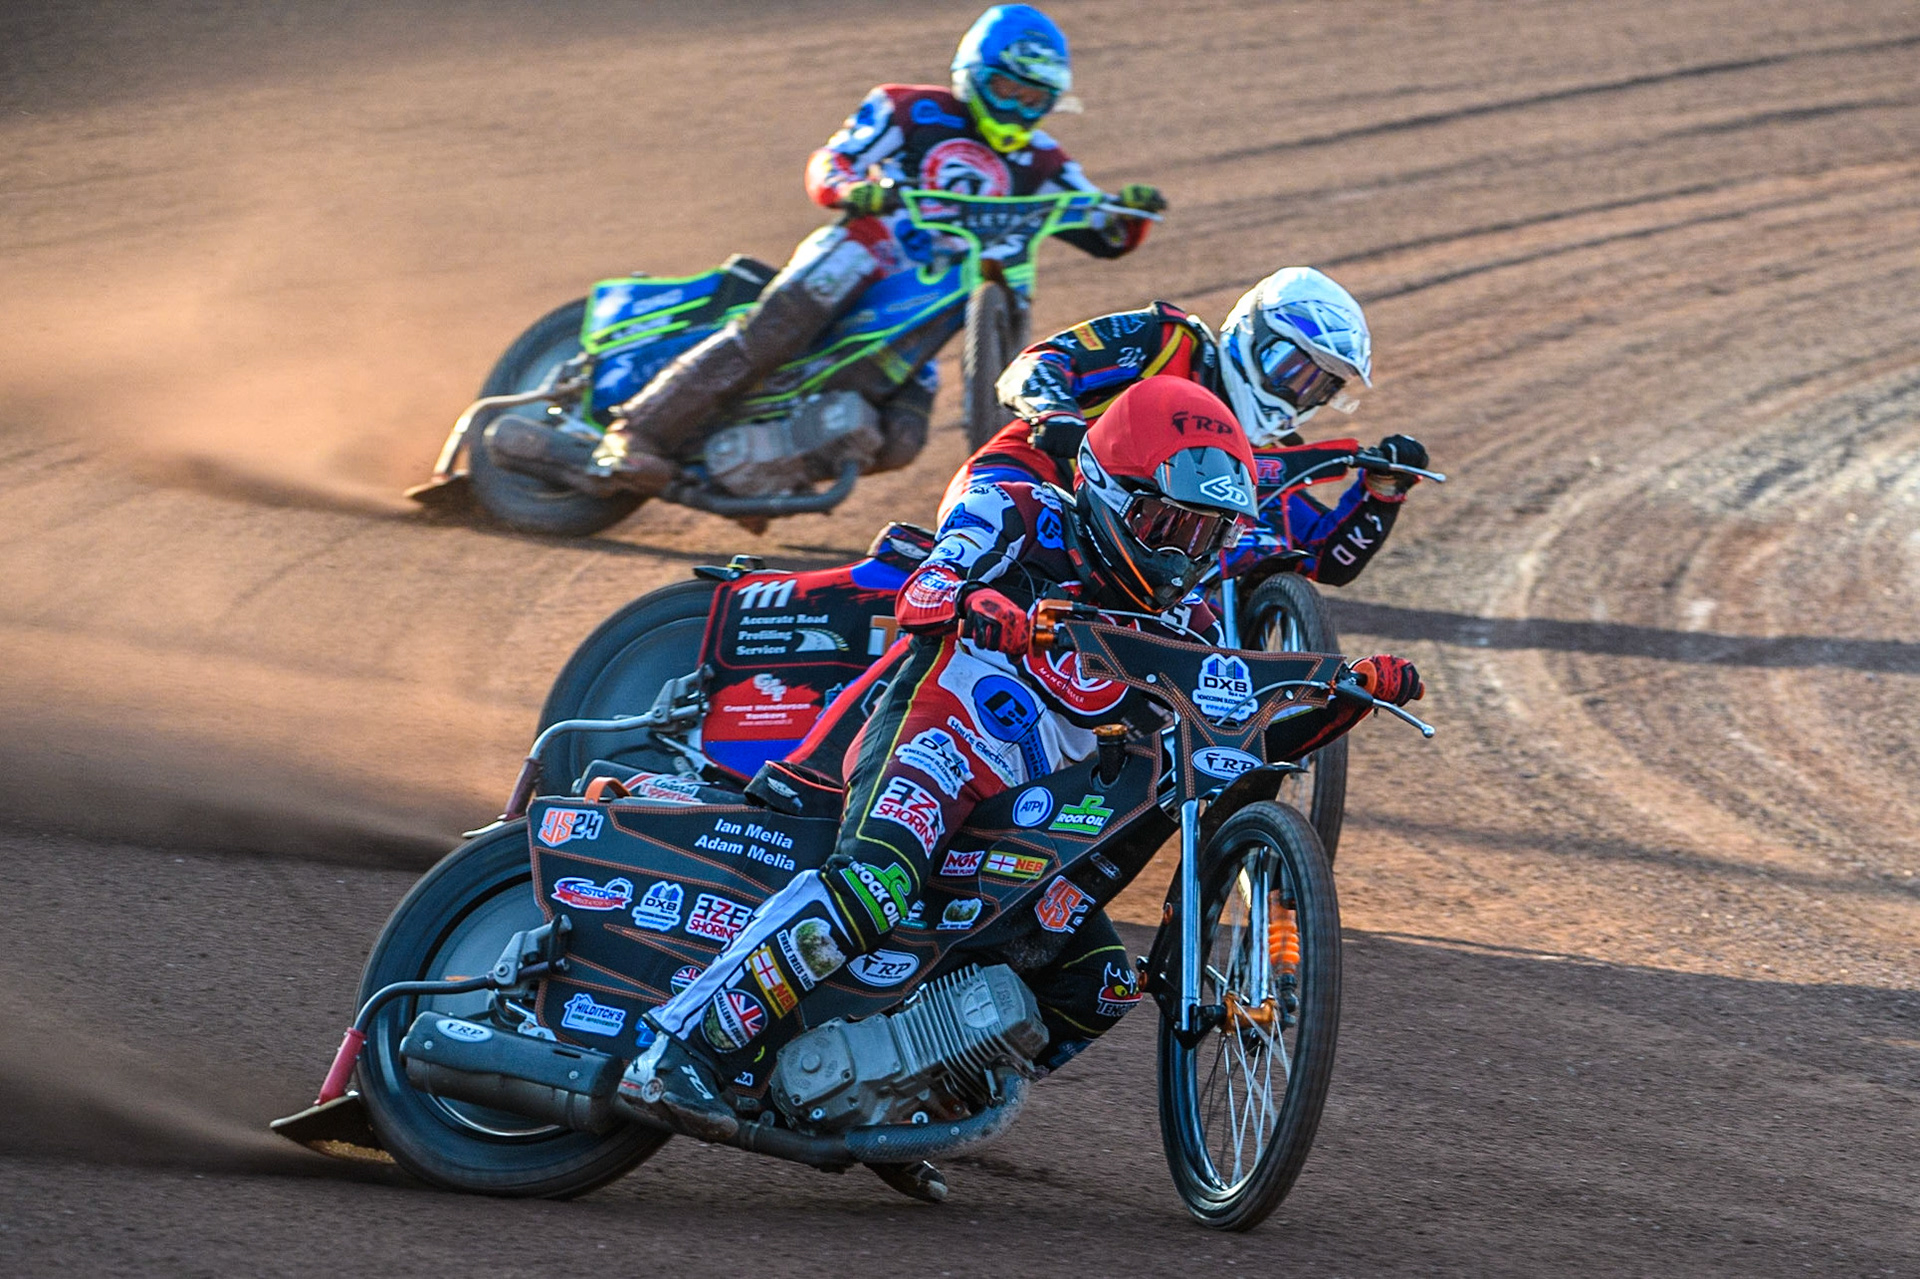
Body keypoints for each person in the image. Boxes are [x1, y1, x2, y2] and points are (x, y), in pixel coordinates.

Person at [618, 377, 1425, 1140]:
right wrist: (979, 601)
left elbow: (1242, 753)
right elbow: (924, 588)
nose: (1183, 558)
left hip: (1028, 819)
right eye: (1168, 527)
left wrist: (1343, 703)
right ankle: (679, 1049)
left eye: (1206, 536)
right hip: (941, 739)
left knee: (1100, 986)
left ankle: (902, 1102)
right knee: (875, 883)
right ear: (1110, 491)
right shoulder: (1016, 508)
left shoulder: (1193, 631)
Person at [589, 4, 1165, 496]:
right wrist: (850, 189)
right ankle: (637, 431)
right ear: (973, 74)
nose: (1015, 108)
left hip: (934, 304)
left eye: (1032, 98)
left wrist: (1129, 213)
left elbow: (1102, 228)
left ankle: (745, 476)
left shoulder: (1044, 162)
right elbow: (832, 161)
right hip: (865, 250)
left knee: (900, 439)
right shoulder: (910, 108)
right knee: (778, 329)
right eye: (1005, 90)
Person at [944, 266, 1429, 588]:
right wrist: (1055, 414)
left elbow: (1327, 558)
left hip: (1114, 561)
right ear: (1251, 332)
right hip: (1028, 478)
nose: (1296, 392)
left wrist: (1382, 494)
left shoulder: (1254, 466)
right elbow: (1038, 362)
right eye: (1290, 368)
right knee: (968, 572)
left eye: (1316, 385)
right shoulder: (1164, 341)